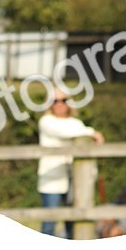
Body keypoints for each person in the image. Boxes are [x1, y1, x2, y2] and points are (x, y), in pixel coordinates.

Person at [37, 89, 103, 238]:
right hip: (52, 179)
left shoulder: (77, 123)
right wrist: (91, 132)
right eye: (55, 100)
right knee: (49, 224)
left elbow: (77, 132)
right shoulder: (46, 121)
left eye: (64, 100)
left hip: (75, 179)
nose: (60, 104)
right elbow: (64, 131)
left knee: (73, 224)